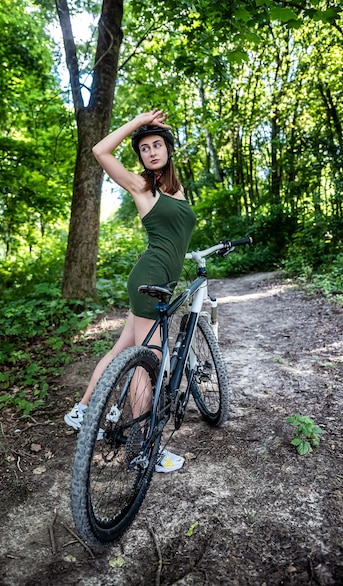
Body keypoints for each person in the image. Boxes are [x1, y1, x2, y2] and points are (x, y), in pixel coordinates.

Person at [64, 108, 196, 472]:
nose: (151, 152)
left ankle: (84, 408)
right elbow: (100, 152)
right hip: (149, 281)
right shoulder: (142, 186)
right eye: (144, 148)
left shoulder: (178, 190)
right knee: (147, 362)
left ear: (168, 149)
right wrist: (138, 122)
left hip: (160, 280)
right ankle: (142, 450)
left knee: (123, 348)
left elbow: (175, 237)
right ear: (140, 157)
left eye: (157, 145)